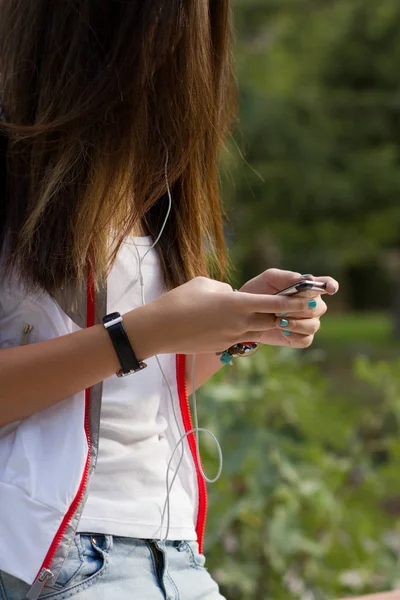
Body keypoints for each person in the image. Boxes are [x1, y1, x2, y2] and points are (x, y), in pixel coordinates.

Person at [0, 1, 338, 599]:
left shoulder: (156, 180)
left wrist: (239, 327)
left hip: (173, 550)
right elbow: (124, 350)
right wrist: (143, 332)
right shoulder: (20, 174)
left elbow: (123, 391)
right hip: (61, 556)